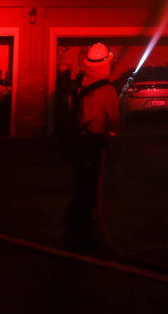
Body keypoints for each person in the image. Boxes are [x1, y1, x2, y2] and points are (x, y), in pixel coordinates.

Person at [65, 41, 120, 248]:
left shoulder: (80, 84)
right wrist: (112, 135)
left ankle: (74, 221)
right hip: (94, 142)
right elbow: (113, 119)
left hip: (78, 140)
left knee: (80, 182)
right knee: (91, 186)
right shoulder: (107, 90)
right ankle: (84, 228)